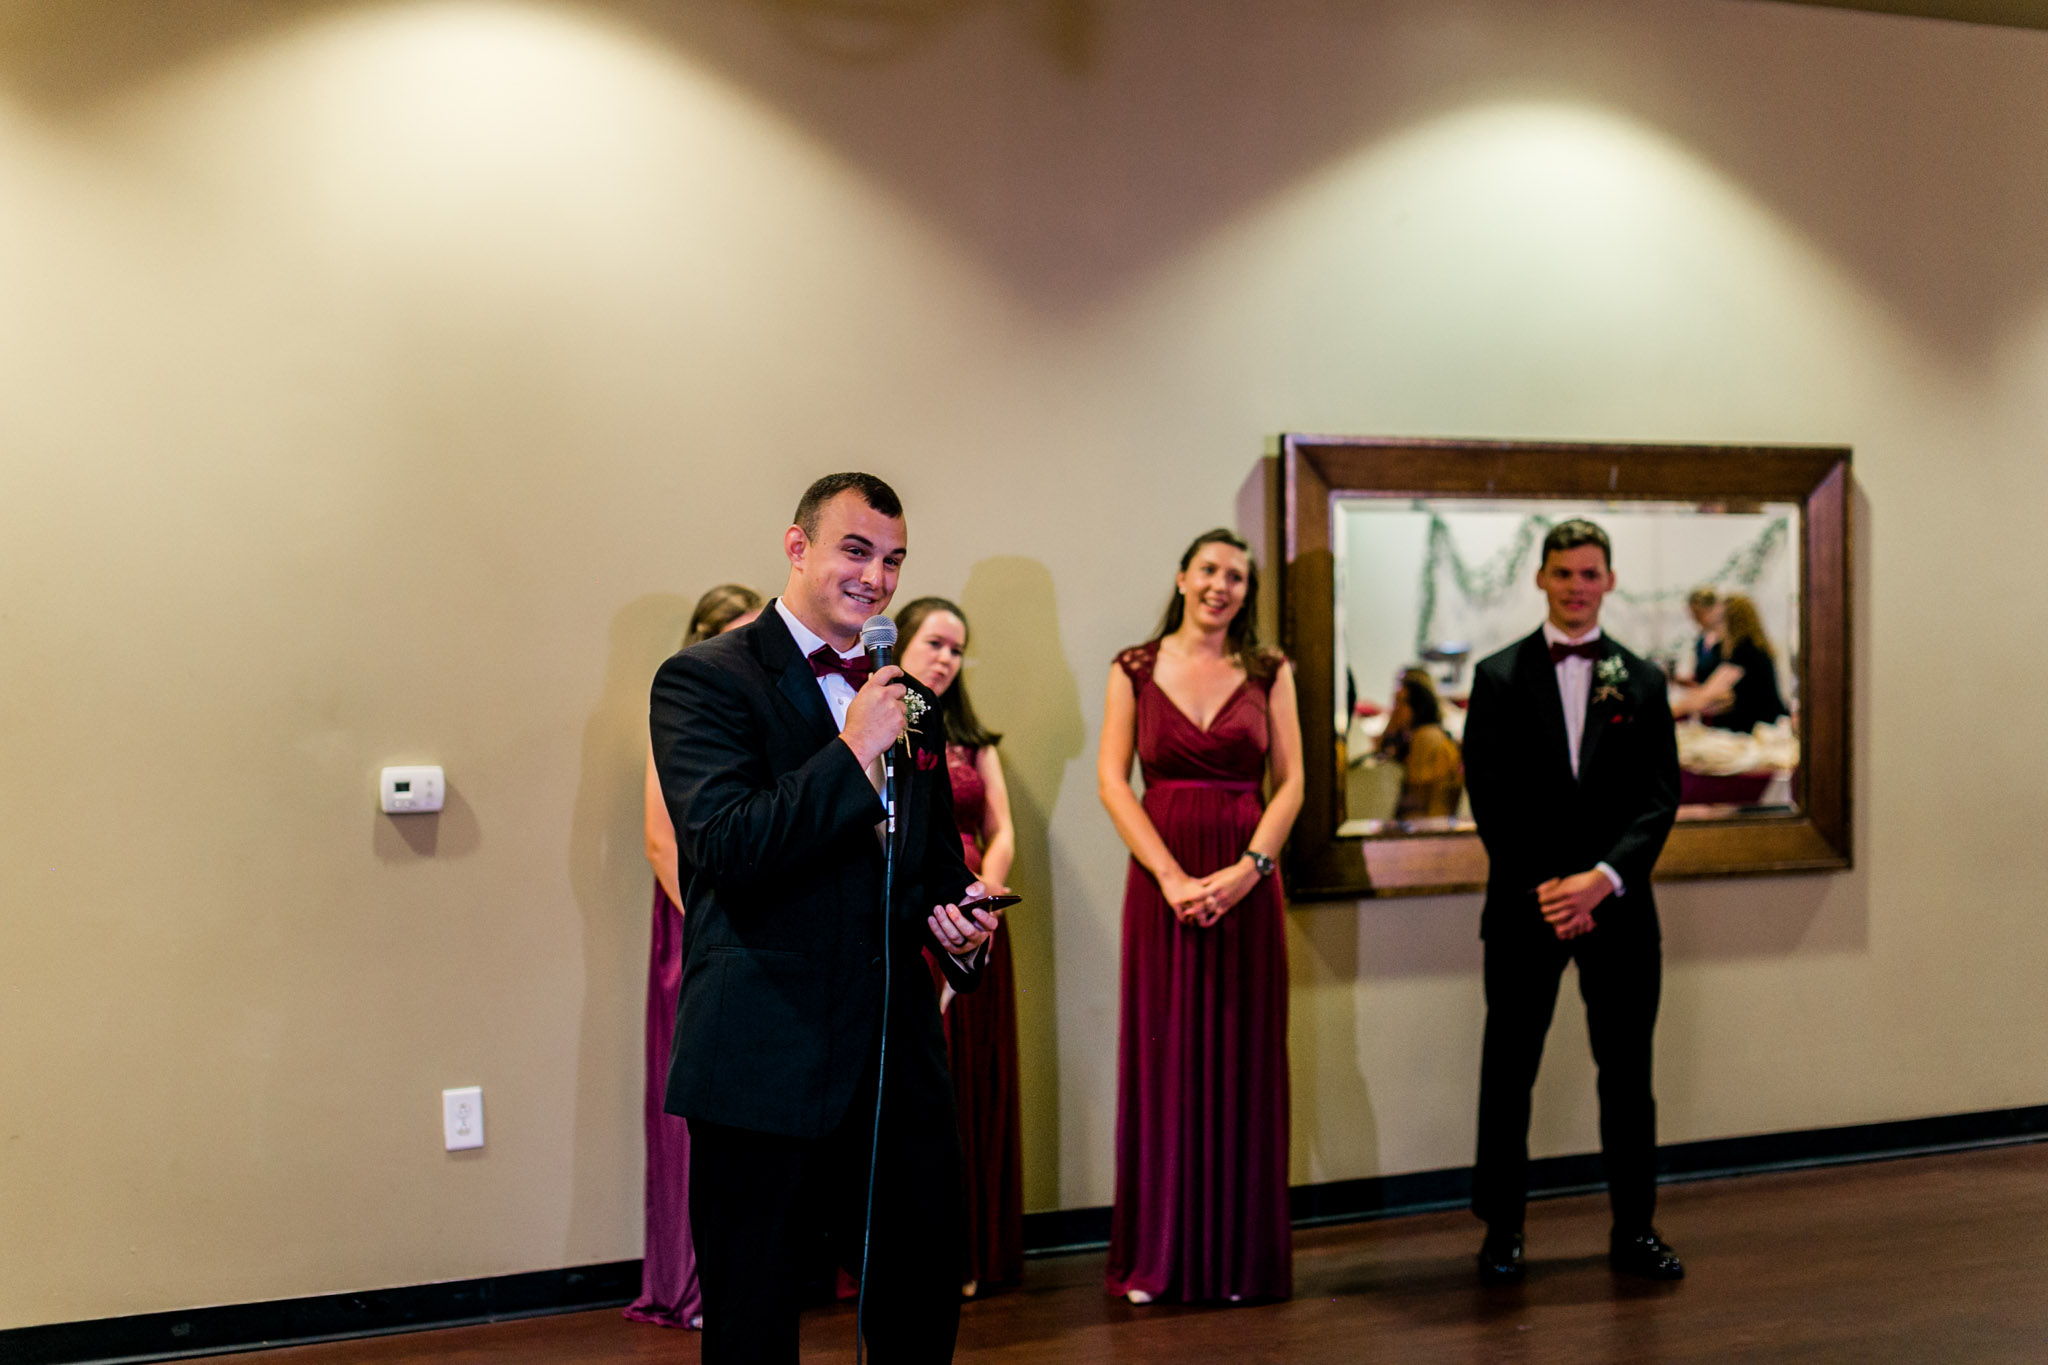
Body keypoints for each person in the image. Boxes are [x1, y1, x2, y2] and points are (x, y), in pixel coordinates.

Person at [649, 472, 1003, 1364]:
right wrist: (853, 751)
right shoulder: (703, 680)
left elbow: (925, 870)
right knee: (756, 1318)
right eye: (857, 550)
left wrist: (959, 925)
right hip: (764, 1048)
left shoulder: (910, 703)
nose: (877, 578)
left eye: (893, 561)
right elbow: (727, 848)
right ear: (797, 546)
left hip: (895, 1052)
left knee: (922, 1296)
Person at [1460, 519, 1683, 1285]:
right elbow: (1490, 799)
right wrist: (1554, 890)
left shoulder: (1644, 679)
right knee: (1507, 1070)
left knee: (1628, 1074)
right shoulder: (1496, 676)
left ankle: (1635, 1228)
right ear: (1541, 578)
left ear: (1609, 580)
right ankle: (1502, 1230)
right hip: (1527, 906)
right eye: (1563, 572)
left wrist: (1602, 880)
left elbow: (1660, 799)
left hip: (1619, 911)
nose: (1576, 585)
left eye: (1590, 573)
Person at [1097, 527, 1304, 1305]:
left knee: (1243, 1058)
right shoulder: (1134, 667)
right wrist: (1174, 876)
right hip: (1164, 885)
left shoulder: (1269, 669)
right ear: (1182, 577)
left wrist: (1248, 871)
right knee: (1168, 1060)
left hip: (1246, 883)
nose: (1223, 585)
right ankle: (1164, 1254)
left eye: (1238, 577)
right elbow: (1114, 782)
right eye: (1210, 570)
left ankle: (1240, 1263)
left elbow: (1291, 784)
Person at [627, 584, 762, 1333]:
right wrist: (725, 916)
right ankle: (697, 1282)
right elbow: (659, 840)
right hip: (700, 918)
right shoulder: (680, 710)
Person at [895, 596, 1024, 1299]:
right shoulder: (881, 725)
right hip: (909, 915)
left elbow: (1003, 829)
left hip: (972, 917)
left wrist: (980, 895)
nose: (945, 659)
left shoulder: (974, 739)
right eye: (935, 643)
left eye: (956, 650)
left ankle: (969, 1252)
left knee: (966, 1088)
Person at [1674, 592, 1788, 735]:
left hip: (1762, 727)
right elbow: (1728, 694)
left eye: (1720, 619)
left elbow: (1710, 692)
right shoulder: (1746, 648)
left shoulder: (1746, 649)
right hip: (1755, 726)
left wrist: (1671, 711)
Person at [1375, 668, 1463, 819]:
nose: (1394, 709)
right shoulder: (1418, 735)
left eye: (1399, 702)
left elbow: (1417, 800)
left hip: (1429, 825)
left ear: (1417, 705)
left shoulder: (1427, 736)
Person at [1684, 586, 1723, 684]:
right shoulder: (1701, 641)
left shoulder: (1728, 641)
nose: (1696, 619)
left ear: (1714, 609)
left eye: (1699, 614)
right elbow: (1699, 677)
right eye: (1693, 615)